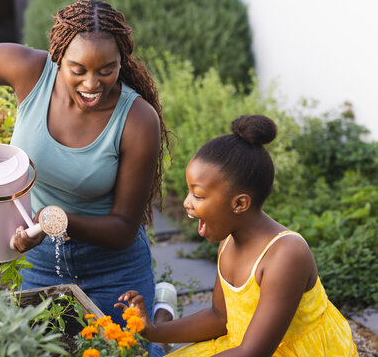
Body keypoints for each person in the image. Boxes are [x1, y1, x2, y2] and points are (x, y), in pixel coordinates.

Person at [0, 0, 172, 327]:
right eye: (78, 69)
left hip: (112, 268)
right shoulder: (29, 70)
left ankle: (161, 315)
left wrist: (53, 221)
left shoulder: (138, 120)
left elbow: (124, 229)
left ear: (120, 62)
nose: (92, 84)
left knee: (126, 350)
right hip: (41, 261)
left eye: (106, 70)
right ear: (58, 57)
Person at [116, 115, 359, 356]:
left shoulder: (285, 255)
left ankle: (164, 311)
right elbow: (219, 317)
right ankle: (163, 321)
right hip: (241, 347)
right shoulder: (228, 242)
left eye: (198, 196)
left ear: (240, 203)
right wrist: (154, 331)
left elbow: (253, 352)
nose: (187, 203)